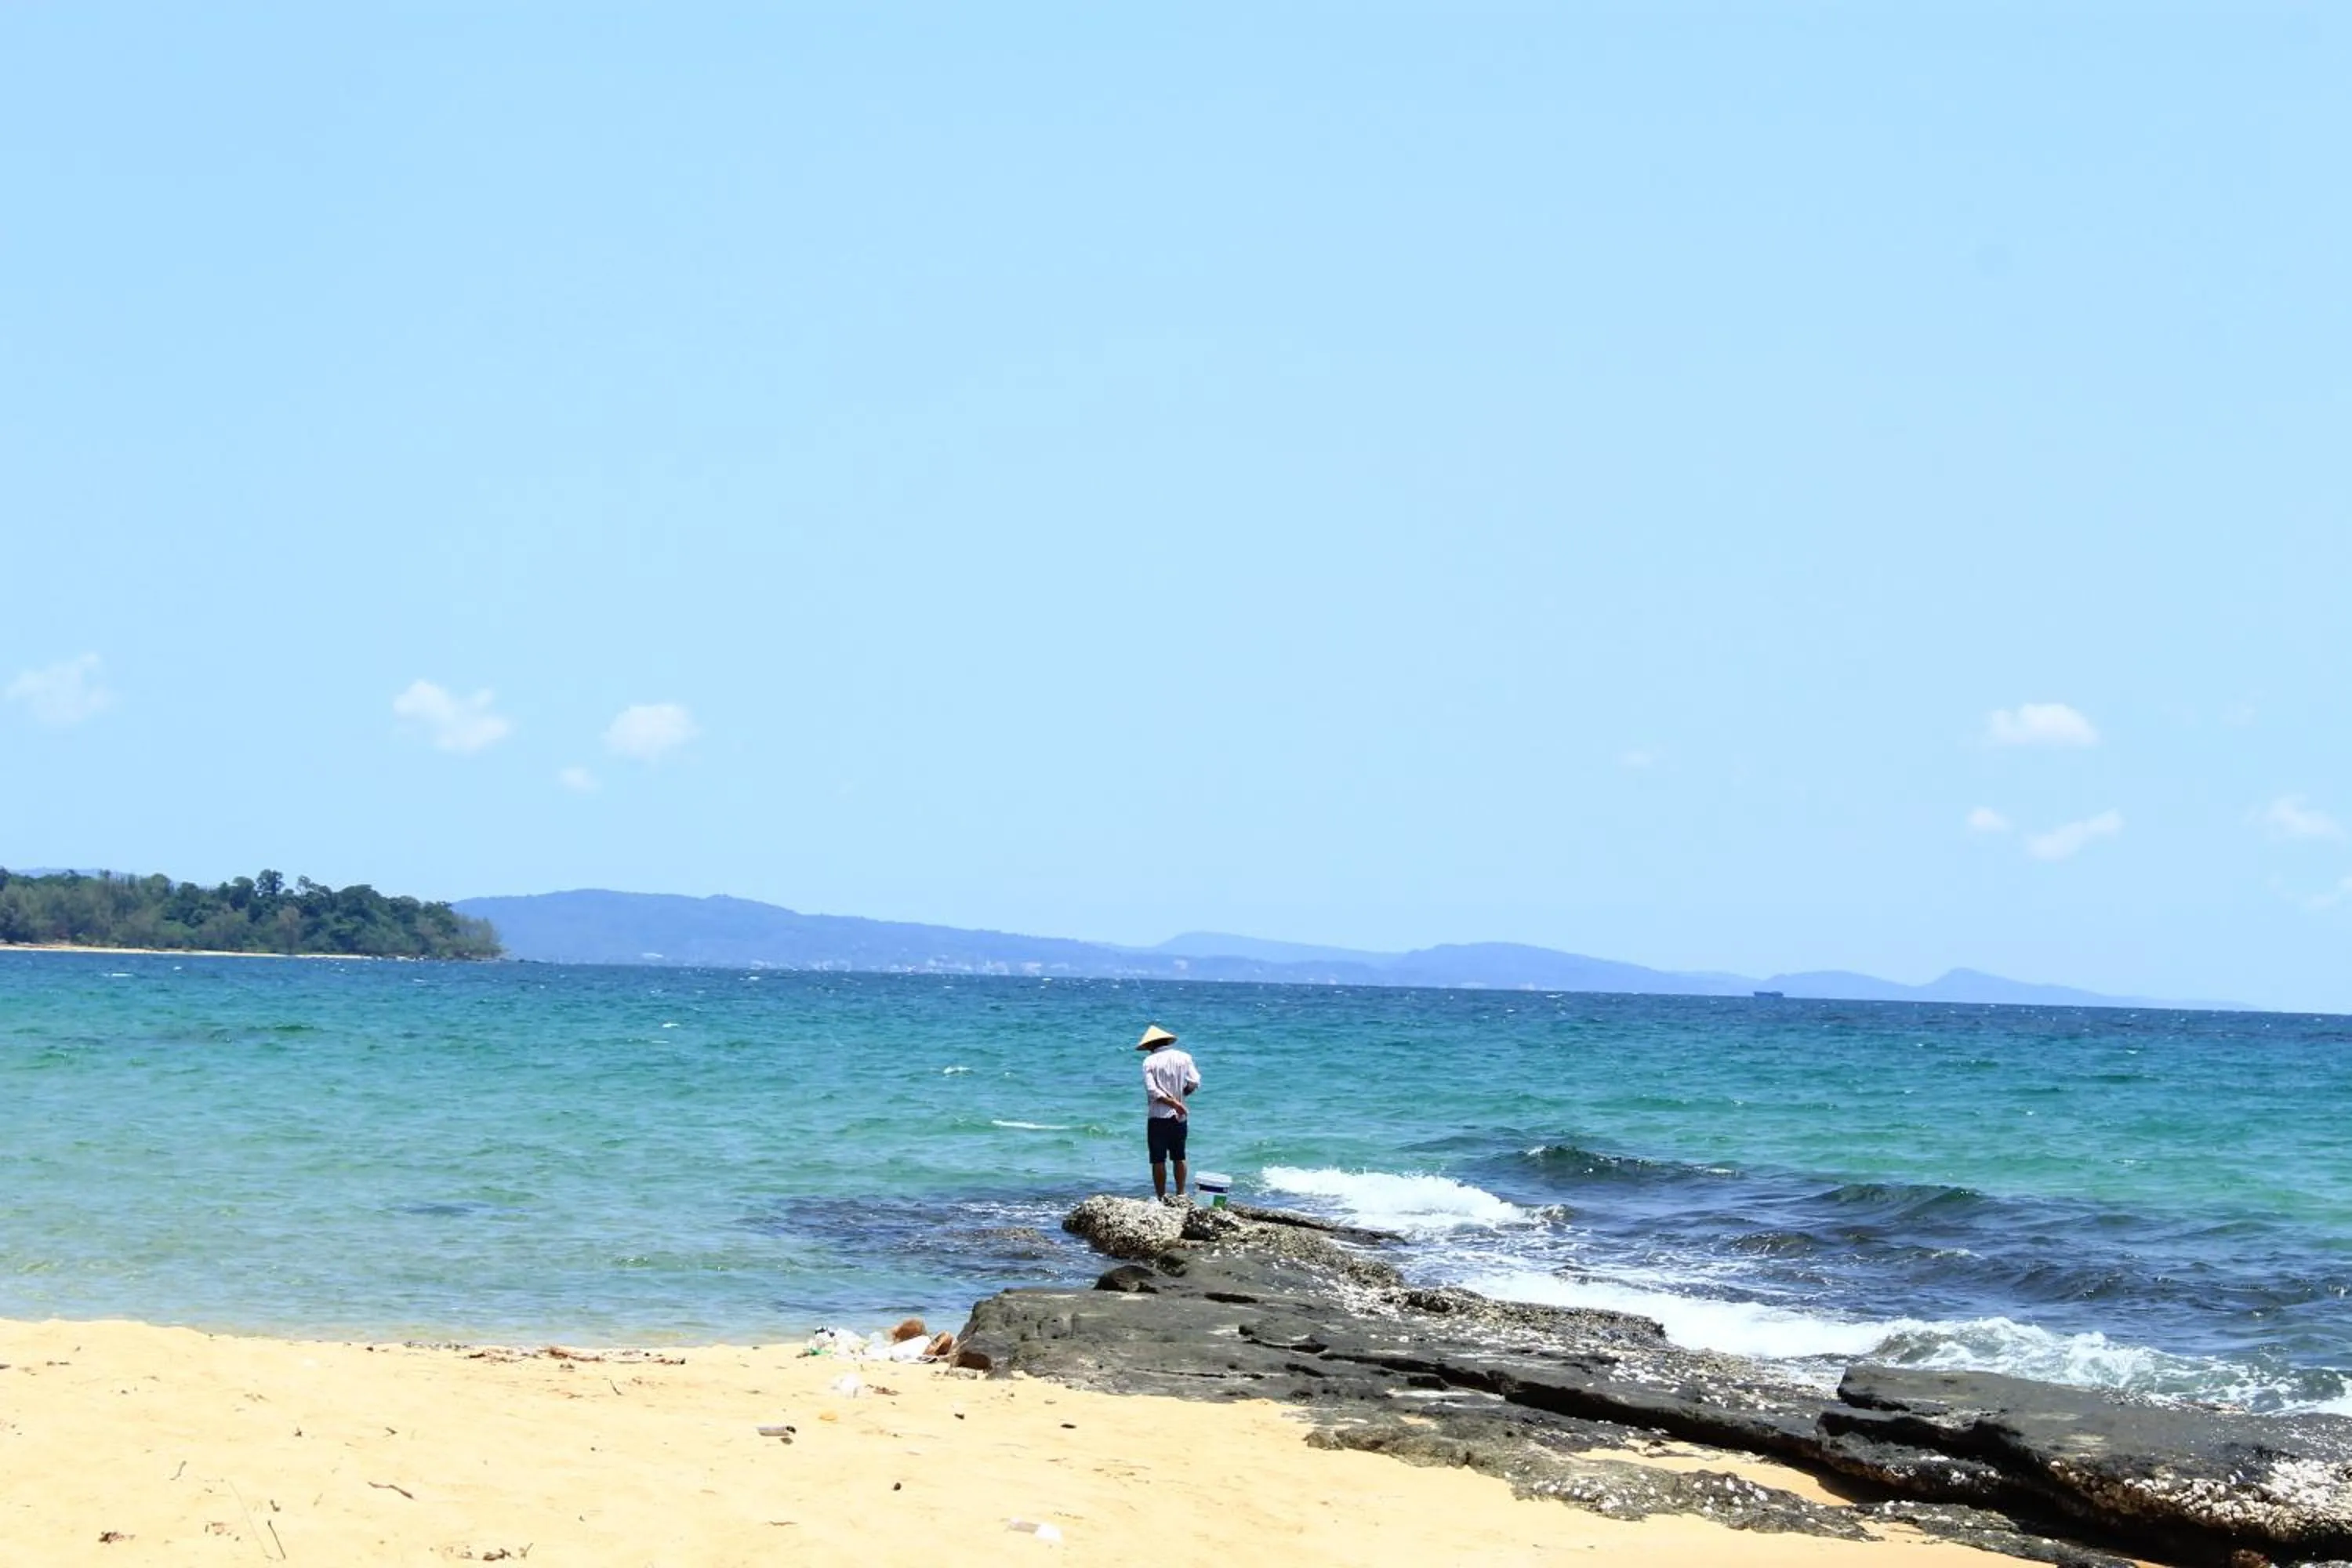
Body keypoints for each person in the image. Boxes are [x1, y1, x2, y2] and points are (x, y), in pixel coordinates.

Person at [1134, 1023, 1200, 1200]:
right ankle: (1180, 1194)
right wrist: (1180, 1098)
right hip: (1179, 1117)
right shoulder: (1184, 1057)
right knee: (1179, 1155)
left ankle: (1161, 1197)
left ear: (1150, 1045)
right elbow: (1195, 1081)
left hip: (1158, 1116)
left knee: (1158, 1159)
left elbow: (1152, 1091)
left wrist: (1172, 1103)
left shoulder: (1149, 1061)